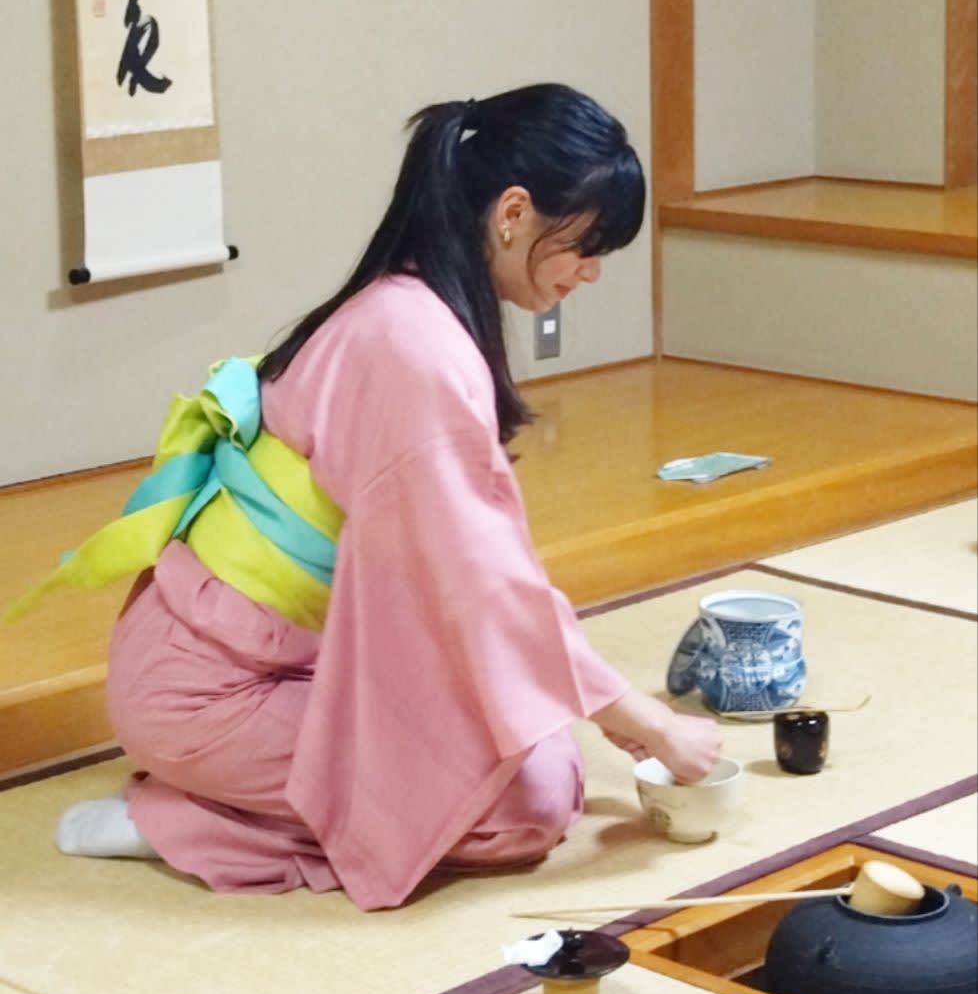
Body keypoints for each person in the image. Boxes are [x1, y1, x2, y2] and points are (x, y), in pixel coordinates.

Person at [16, 84, 722, 909]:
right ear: (514, 213)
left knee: (540, 750)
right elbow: (485, 588)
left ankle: (239, 793)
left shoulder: (408, 307)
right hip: (209, 691)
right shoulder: (413, 348)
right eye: (586, 245)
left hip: (274, 659)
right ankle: (182, 820)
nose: (591, 271)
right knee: (525, 808)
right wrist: (648, 721)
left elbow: (466, 578)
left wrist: (599, 707)